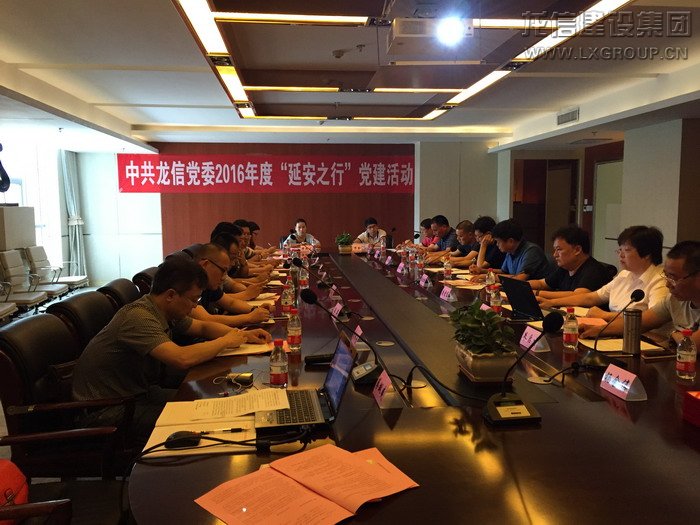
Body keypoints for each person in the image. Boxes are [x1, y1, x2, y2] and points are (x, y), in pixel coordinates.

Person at [72, 257, 271, 445]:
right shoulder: (139, 317)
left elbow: (203, 327)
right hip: (106, 410)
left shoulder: (163, 309)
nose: (195, 306)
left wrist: (244, 335)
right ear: (170, 295)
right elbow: (181, 358)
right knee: (198, 419)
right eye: (193, 299)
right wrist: (225, 341)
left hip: (137, 395)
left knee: (207, 404)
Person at [581, 241, 699, 347]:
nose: (667, 284)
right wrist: (598, 329)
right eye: (666, 276)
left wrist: (674, 335)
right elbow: (638, 324)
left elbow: (693, 344)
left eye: (673, 278)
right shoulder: (673, 300)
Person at [538, 225, 668, 321]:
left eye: (627, 250)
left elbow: (651, 318)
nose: (621, 255)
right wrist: (552, 303)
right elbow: (591, 297)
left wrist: (605, 315)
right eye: (620, 250)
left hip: (647, 341)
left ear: (646, 254)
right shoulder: (624, 275)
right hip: (615, 332)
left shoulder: (660, 281)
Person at [529, 225, 614, 299]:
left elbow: (578, 296)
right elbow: (541, 284)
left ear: (577, 250)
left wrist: (537, 293)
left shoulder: (594, 271)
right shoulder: (566, 267)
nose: (555, 255)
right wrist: (522, 285)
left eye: (559, 249)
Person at [471, 219, 551, 281]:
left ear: (510, 241)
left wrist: (489, 276)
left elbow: (520, 279)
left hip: (536, 292)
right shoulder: (510, 251)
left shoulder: (531, 251)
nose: (497, 244)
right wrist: (481, 270)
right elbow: (504, 271)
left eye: (498, 242)